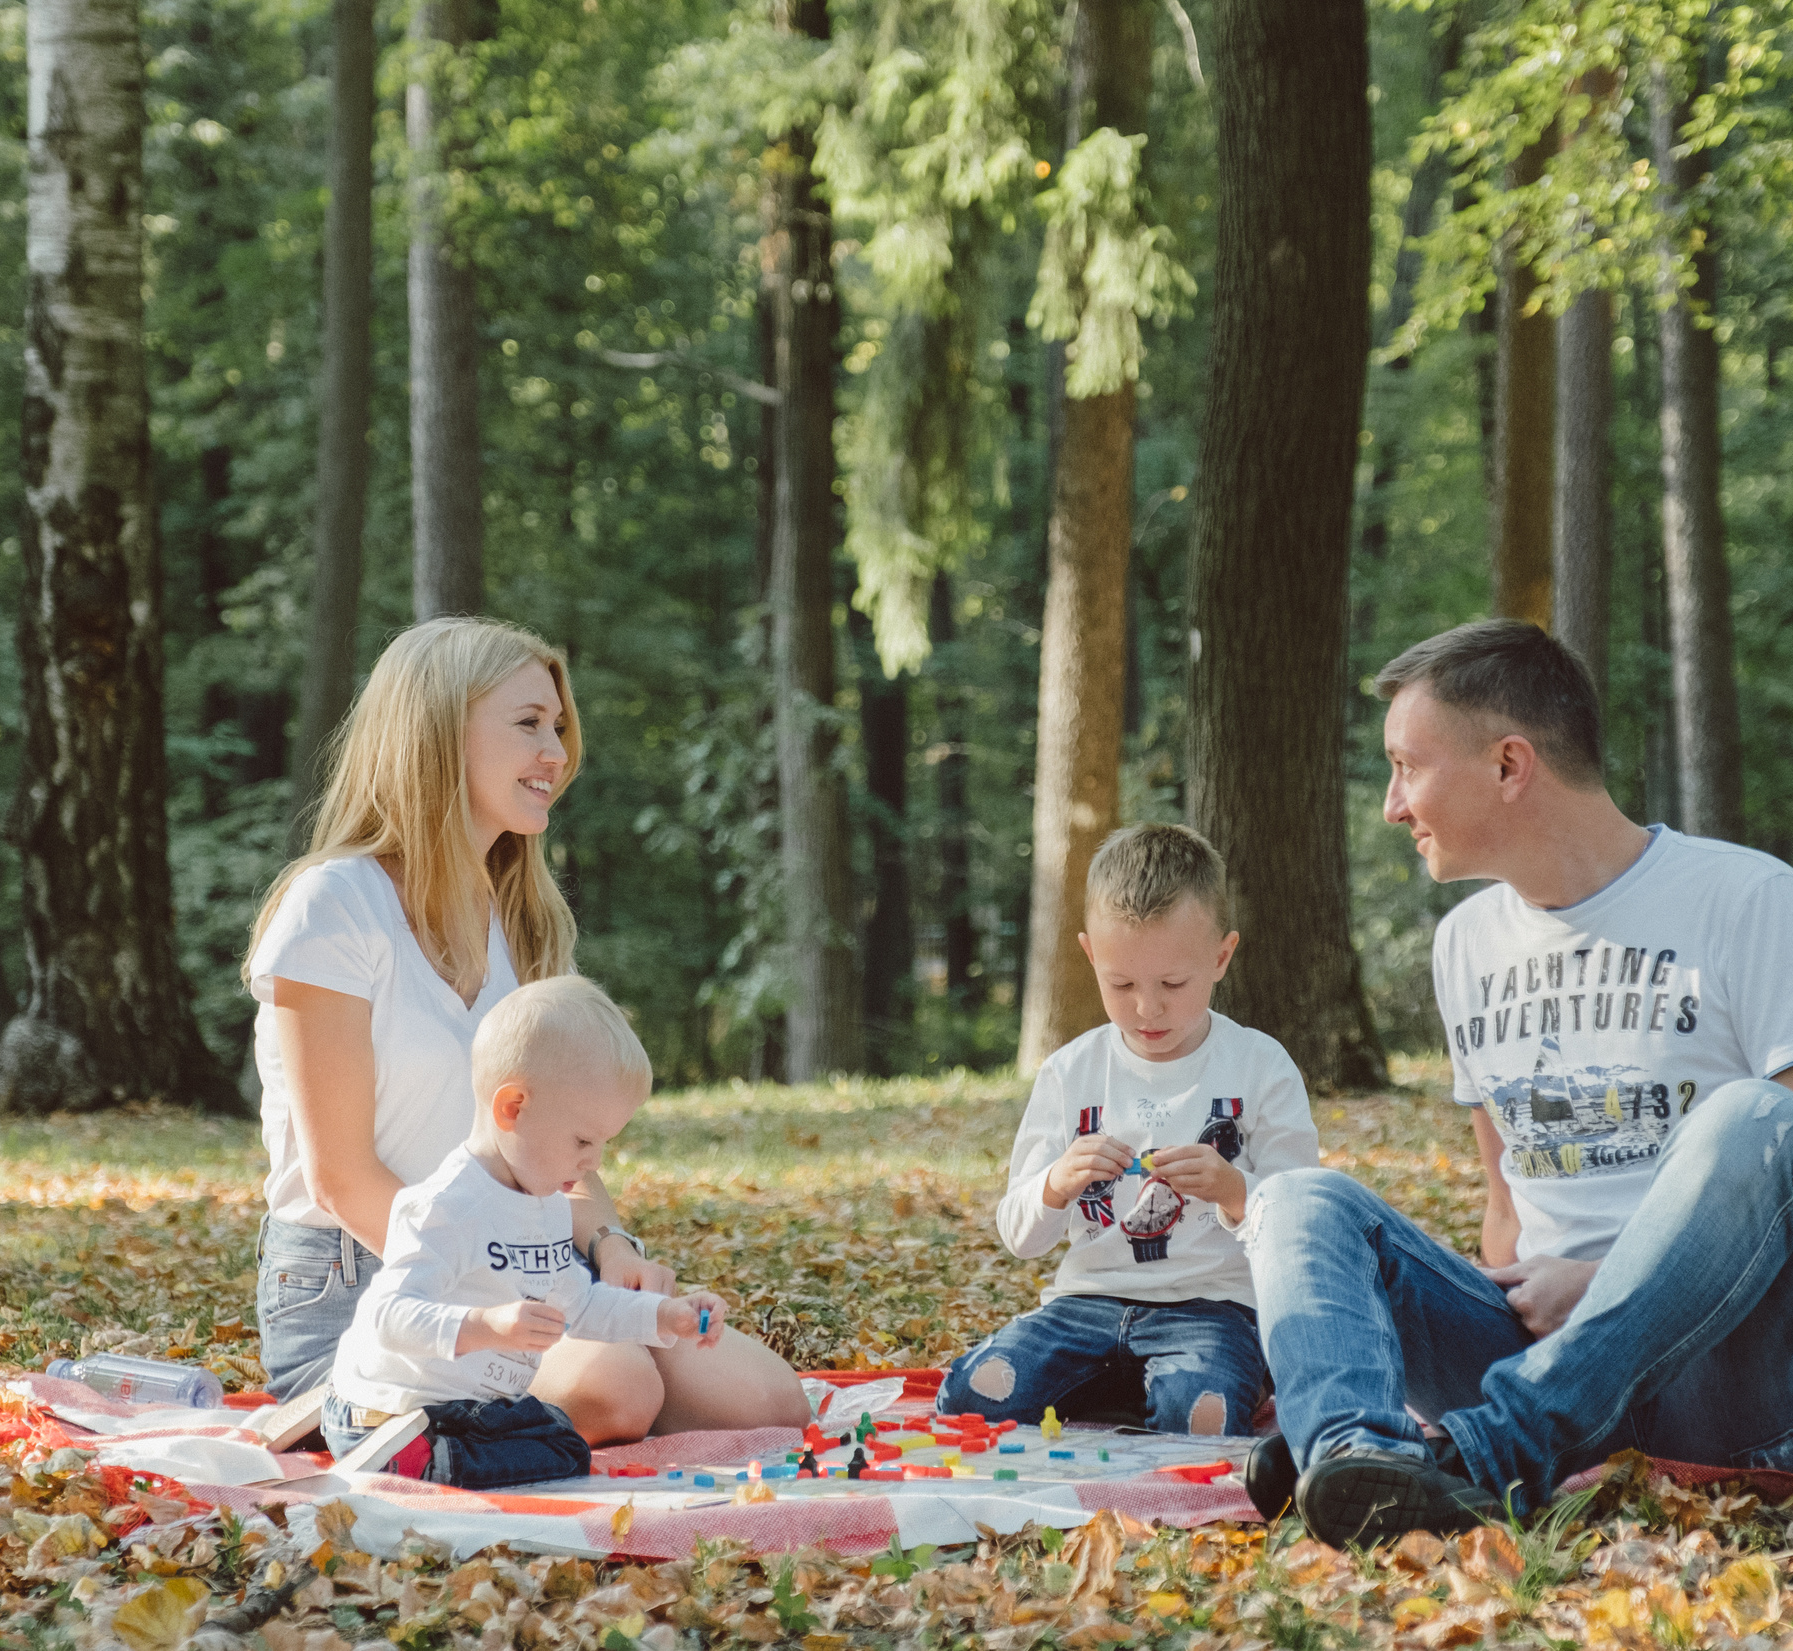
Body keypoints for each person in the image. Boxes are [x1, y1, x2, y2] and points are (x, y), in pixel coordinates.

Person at [1242, 620, 1793, 1545]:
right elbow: (1508, 1208)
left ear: (1509, 765)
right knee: (1297, 1198)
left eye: (1406, 767)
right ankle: (1357, 1456)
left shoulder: (1750, 899)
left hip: (1757, 1388)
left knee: (1756, 1118)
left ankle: (1487, 1451)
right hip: (1555, 1372)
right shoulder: (1465, 944)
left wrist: (1596, 1284)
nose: (1391, 805)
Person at [247, 616, 808, 1441]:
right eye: (529, 724)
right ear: (439, 732)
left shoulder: (523, 919)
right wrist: (504, 1287)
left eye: (558, 726)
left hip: (522, 1256)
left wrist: (612, 1248)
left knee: (768, 1401)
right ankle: (373, 1412)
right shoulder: (333, 906)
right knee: (617, 1384)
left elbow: (556, 1146)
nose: (557, 753)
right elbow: (340, 1178)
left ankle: (530, 1407)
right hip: (371, 1281)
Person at [939, 824, 1322, 1437]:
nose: (1148, 1008)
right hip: (1084, 1306)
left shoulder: (1260, 1065)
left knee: (1202, 1418)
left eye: (1173, 984)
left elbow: (1305, 1225)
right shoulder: (1070, 1072)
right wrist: (1057, 1183)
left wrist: (1232, 1189)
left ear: (1221, 957)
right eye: (1121, 984)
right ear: (1091, 955)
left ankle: (1176, 1387)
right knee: (969, 1395)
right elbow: (1019, 1235)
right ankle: (1129, 1385)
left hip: (1212, 1310)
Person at [323, 977, 729, 1485]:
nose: (594, 1162)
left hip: (472, 1409)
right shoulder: (445, 1207)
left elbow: (581, 1306)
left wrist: (664, 1316)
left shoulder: (548, 1207)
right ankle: (419, 1461)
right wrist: (486, 1326)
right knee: (518, 1447)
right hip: (388, 1411)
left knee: (564, 1445)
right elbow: (389, 1317)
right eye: (583, 1140)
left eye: (603, 1144)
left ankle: (447, 1461)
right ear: (512, 1108)